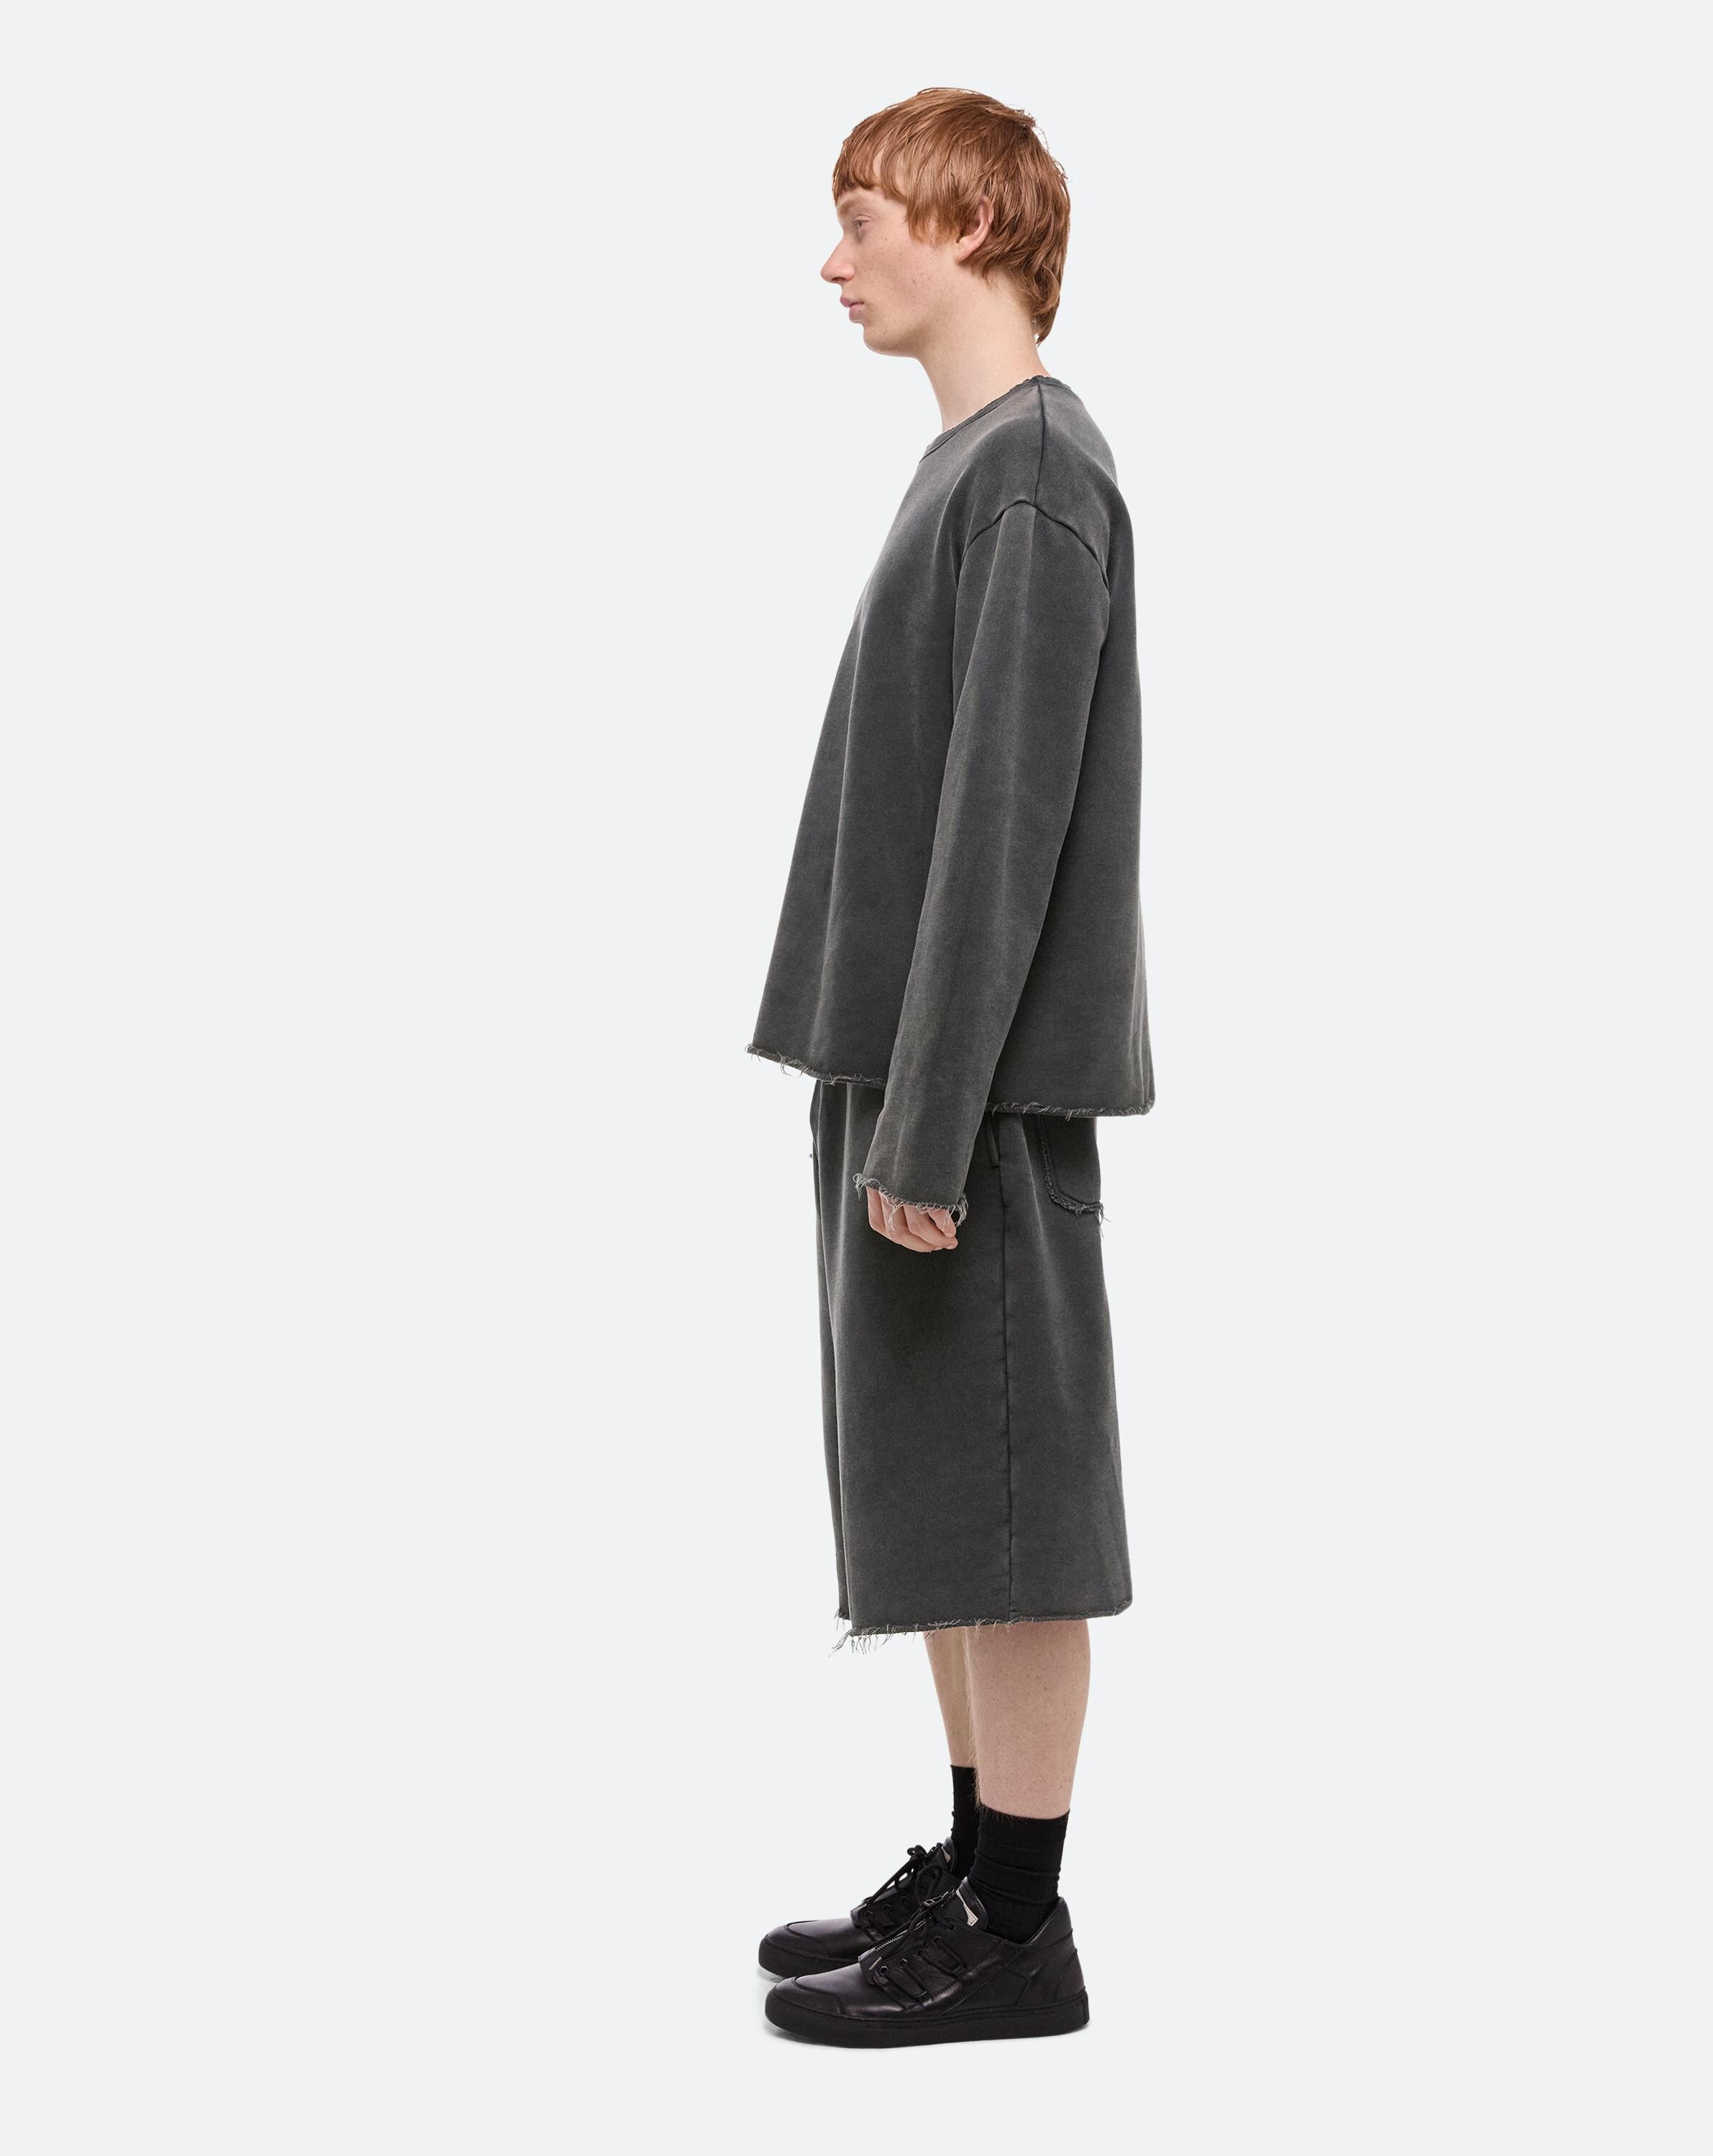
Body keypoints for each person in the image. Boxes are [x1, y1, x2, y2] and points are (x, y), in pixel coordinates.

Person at [746, 87, 1152, 2048]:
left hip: (968, 1091)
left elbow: (1007, 828)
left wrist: (928, 1120)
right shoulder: (977, 466)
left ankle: (1018, 1929)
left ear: (972, 225)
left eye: (864, 219)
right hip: (909, 1069)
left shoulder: (1038, 474)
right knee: (938, 1499)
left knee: (1015, 1500)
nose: (834, 261)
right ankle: (980, 1859)